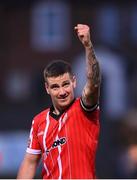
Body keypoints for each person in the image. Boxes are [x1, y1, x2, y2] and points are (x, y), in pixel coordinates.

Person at [17, 24, 101, 179]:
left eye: (66, 84)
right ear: (47, 88)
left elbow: (94, 83)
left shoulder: (84, 110)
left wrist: (88, 45)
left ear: (74, 82)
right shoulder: (39, 122)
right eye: (55, 87)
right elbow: (29, 163)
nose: (62, 92)